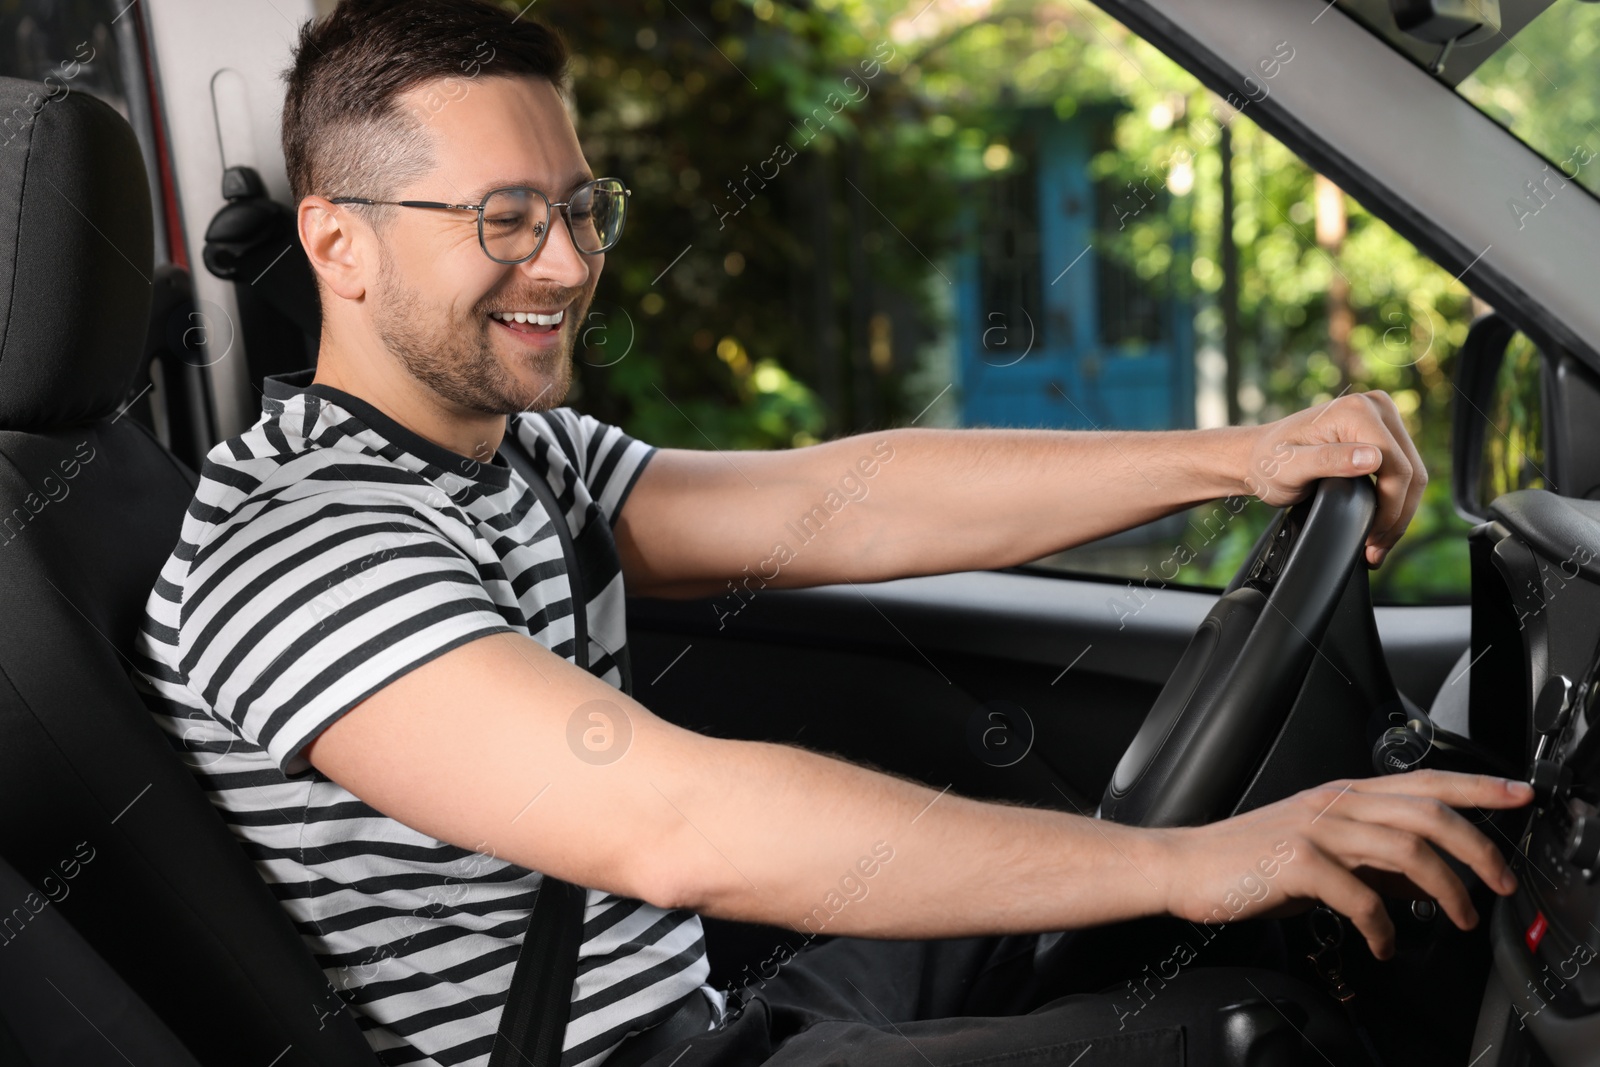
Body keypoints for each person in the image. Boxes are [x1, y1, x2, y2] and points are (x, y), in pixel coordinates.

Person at [132, 2, 1530, 1065]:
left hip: (707, 1017)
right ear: (340, 245)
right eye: (504, 218)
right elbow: (672, 822)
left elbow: (842, 500)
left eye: (575, 209)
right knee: (1231, 1030)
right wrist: (1194, 861)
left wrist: (1237, 457)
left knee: (1138, 924)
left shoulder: (515, 459)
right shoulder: (295, 544)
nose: (564, 262)